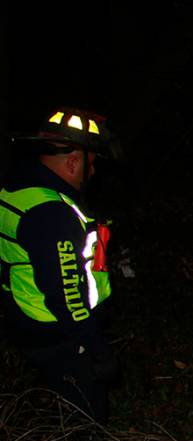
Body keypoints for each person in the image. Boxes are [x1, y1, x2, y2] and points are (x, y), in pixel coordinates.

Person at [0, 107, 118, 421]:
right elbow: (66, 295)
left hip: (27, 323)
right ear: (73, 162)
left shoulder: (18, 189)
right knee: (87, 421)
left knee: (62, 410)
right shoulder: (53, 214)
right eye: (90, 164)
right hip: (61, 338)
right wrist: (97, 350)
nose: (93, 172)